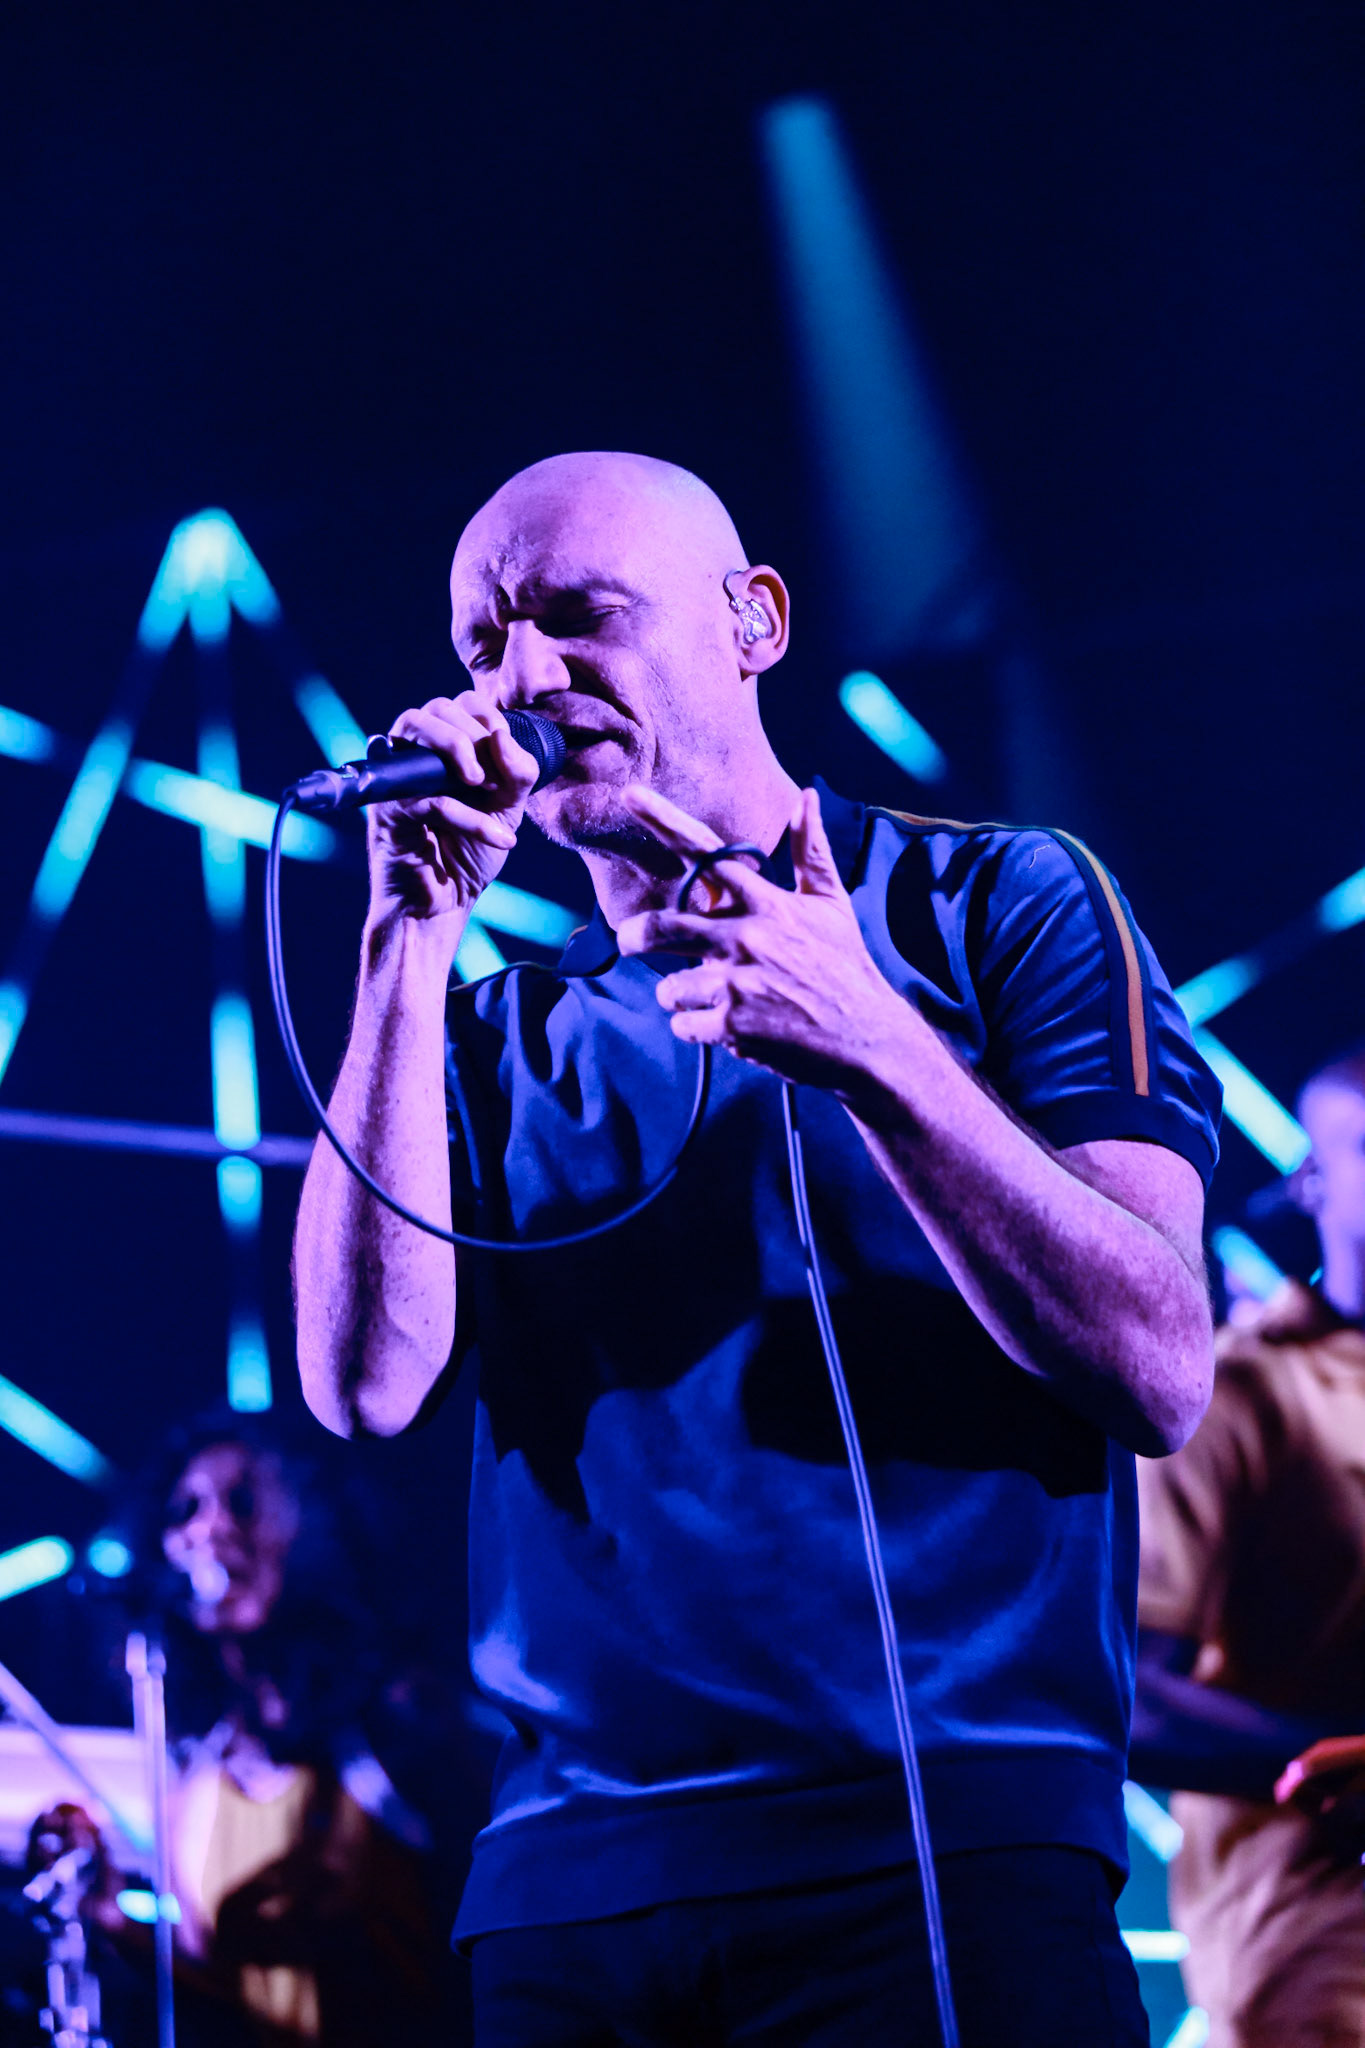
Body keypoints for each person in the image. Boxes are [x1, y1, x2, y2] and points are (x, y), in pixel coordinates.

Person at [293, 450, 1221, 2045]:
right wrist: (406, 941)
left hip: (941, 1845)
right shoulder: (486, 1036)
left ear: (752, 623)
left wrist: (876, 1043)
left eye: (581, 617)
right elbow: (361, 1386)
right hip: (574, 1882)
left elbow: (1154, 1363)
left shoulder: (998, 902)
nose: (523, 679)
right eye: (483, 644)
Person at [20, 1415, 453, 2047]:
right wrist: (108, 1913)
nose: (209, 1528)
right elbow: (231, 2000)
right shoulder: (201, 1776)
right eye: (185, 1510)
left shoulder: (398, 1718)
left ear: (318, 1521)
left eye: (244, 1501)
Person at [1137, 1050, 1365, 2048]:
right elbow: (1125, 1688)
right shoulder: (1235, 1394)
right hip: (1320, 1950)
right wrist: (1326, 1759)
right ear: (1310, 1178)